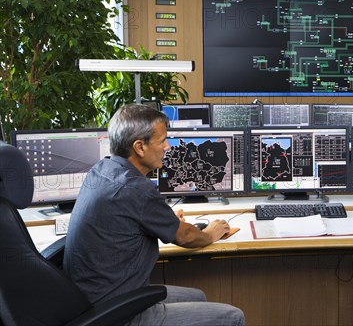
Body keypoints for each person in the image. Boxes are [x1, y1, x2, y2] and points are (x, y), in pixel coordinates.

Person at [64, 104, 245, 326]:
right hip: (117, 312)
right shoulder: (136, 189)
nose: (168, 147)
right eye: (162, 141)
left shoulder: (102, 170)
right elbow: (185, 237)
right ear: (139, 147)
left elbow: (129, 219)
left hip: (91, 299)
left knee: (198, 297)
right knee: (234, 317)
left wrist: (166, 221)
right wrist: (210, 233)